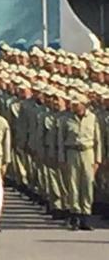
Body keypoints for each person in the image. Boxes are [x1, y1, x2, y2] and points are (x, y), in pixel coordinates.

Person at [58, 93, 102, 231]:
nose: (74, 106)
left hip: (88, 152)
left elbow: (97, 140)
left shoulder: (92, 118)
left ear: (83, 105)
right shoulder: (66, 119)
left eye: (77, 104)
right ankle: (75, 215)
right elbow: (61, 140)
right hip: (72, 151)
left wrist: (97, 159)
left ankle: (86, 216)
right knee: (73, 184)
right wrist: (62, 158)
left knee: (87, 184)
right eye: (73, 104)